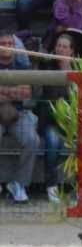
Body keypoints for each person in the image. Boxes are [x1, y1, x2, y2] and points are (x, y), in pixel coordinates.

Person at [0, 22, 39, 203]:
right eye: (4, 44)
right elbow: (19, 91)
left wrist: (3, 92)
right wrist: (13, 91)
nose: (7, 47)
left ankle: (19, 184)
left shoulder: (21, 65)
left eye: (10, 44)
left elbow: (26, 93)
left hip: (18, 113)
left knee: (32, 140)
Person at [37, 35, 76, 203]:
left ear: (71, 51)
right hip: (52, 119)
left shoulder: (78, 69)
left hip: (72, 121)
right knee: (53, 142)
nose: (60, 49)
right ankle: (51, 185)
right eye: (59, 46)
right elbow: (51, 96)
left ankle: (81, 187)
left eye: (65, 47)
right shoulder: (47, 67)